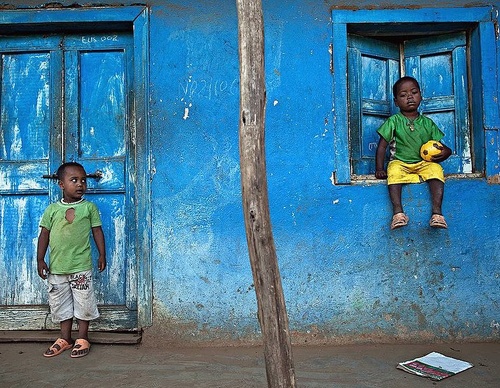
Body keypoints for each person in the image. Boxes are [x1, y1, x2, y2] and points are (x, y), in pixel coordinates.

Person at [37, 162, 106, 358]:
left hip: (81, 267)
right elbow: (44, 235)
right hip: (57, 268)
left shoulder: (88, 208)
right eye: (74, 180)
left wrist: (102, 254)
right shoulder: (52, 210)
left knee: (84, 303)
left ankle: (83, 338)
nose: (80, 185)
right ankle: (65, 339)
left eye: (83, 180)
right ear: (61, 184)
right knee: (60, 304)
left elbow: (97, 231)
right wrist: (40, 259)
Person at [375, 76, 452, 230]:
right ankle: (398, 213)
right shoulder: (393, 121)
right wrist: (379, 168)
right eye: (403, 95)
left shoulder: (427, 123)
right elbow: (382, 146)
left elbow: (442, 146)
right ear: (396, 102)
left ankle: (437, 214)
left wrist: (447, 152)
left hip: (424, 163)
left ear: (421, 96)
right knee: (394, 171)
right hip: (401, 162)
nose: (409, 97)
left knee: (436, 170)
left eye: (414, 92)